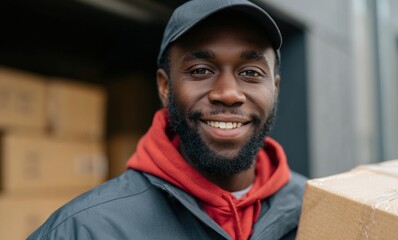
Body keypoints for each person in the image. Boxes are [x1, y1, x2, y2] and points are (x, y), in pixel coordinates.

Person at [28, 0, 306, 239]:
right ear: (164, 87)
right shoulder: (85, 230)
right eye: (200, 70)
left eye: (252, 73)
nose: (228, 94)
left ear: (275, 89)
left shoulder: (315, 211)